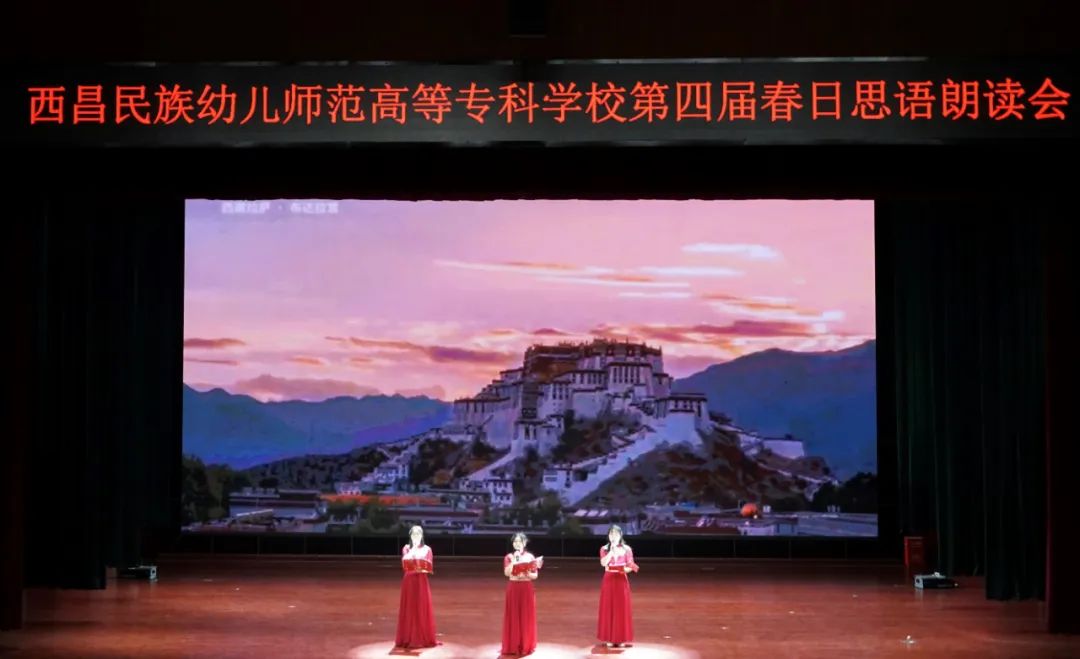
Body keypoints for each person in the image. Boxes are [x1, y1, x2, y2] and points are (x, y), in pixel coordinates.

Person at [395, 525, 437, 649]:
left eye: (418, 534)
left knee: (421, 607)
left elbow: (429, 565)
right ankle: (407, 637)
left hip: (421, 581)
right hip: (409, 581)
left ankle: (422, 637)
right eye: (413, 534)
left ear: (422, 536)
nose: (416, 536)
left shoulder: (427, 549)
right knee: (409, 607)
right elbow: (405, 562)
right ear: (410, 536)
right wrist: (413, 549)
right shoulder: (406, 548)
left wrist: (423, 566)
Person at [597, 524, 638, 648]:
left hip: (621, 580)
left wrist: (624, 569)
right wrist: (611, 551)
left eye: (615, 534)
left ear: (620, 535)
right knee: (608, 607)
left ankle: (621, 638)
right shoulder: (604, 549)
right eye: (611, 534)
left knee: (621, 609)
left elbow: (630, 565)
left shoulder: (627, 549)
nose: (613, 536)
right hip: (609, 580)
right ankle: (609, 637)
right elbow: (603, 563)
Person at [501, 531, 541, 656]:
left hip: (526, 588)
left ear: (525, 543)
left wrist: (527, 573)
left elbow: (535, 575)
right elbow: (507, 573)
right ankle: (513, 645)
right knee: (513, 615)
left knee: (526, 616)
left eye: (520, 541)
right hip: (513, 588)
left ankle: (526, 645)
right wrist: (514, 561)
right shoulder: (509, 557)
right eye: (515, 541)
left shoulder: (530, 557)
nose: (517, 543)